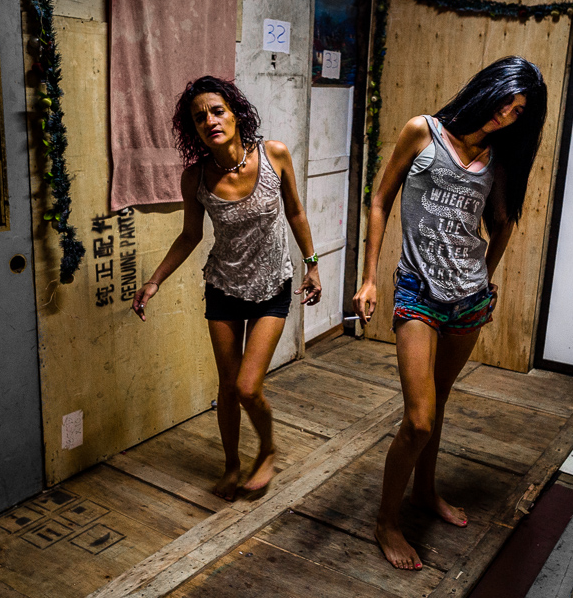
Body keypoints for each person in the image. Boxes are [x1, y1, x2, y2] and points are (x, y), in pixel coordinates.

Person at [352, 56, 548, 570]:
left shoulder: (499, 156)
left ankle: (424, 493)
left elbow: (503, 221)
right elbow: (379, 199)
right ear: (488, 89)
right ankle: (385, 522)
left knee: (437, 406)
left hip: (469, 299)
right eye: (506, 100)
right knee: (418, 419)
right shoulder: (424, 132)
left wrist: (486, 276)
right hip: (417, 290)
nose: (508, 115)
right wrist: (370, 277)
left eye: (520, 111)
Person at [133, 76, 322, 501]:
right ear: (194, 130)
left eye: (217, 111)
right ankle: (233, 464)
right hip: (224, 286)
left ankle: (268, 449)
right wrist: (154, 280)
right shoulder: (195, 177)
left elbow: (295, 210)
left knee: (247, 386)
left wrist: (312, 265)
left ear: (236, 113)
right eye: (200, 118)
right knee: (226, 385)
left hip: (273, 284)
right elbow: (189, 236)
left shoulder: (274, 154)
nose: (210, 121)